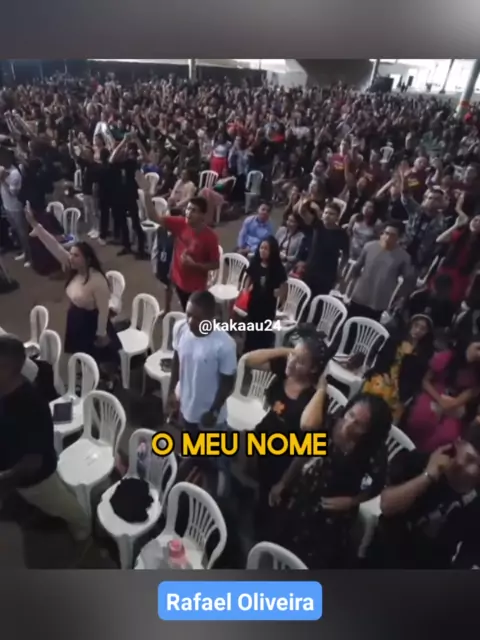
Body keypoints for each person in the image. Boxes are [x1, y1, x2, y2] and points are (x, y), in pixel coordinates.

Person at [268, 392, 392, 568]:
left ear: (370, 431)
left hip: (335, 509)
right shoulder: (330, 423)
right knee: (281, 539)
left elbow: (376, 485)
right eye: (350, 415)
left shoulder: (374, 450)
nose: (349, 424)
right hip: (305, 491)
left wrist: (351, 501)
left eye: (359, 424)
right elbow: (304, 453)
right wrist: (284, 482)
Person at [0, 335, 91, 541]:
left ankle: (83, 526)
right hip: (17, 473)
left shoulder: (30, 407)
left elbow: (33, 462)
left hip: (36, 478)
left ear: (7, 369)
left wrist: (5, 480)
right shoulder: (6, 392)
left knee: (61, 504)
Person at [242, 336, 332, 537]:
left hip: (283, 461)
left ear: (313, 369)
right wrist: (287, 351)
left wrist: (284, 482)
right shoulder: (286, 370)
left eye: (301, 361)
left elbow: (307, 442)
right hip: (262, 443)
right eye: (293, 356)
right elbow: (248, 360)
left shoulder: (314, 400)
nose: (292, 362)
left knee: (270, 509)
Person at [368, 423, 480, 569]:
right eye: (470, 459)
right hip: (384, 553)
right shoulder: (419, 461)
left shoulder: (475, 502)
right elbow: (387, 506)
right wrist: (428, 476)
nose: (473, 470)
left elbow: (469, 555)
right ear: (458, 444)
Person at [25, 206, 121, 367]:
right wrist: (36, 226)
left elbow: (103, 311)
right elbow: (54, 246)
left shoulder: (97, 281)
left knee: (97, 359)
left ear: (87, 259)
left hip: (92, 323)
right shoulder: (73, 268)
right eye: (71, 254)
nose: (71, 257)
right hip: (76, 318)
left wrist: (101, 334)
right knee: (81, 356)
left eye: (76, 255)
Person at [167, 291, 237, 497]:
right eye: (188, 314)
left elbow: (228, 383)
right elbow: (177, 358)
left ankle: (220, 496)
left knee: (217, 459)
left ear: (211, 318)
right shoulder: (181, 328)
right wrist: (171, 390)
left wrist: (214, 410)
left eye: (197, 318)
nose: (190, 321)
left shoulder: (224, 344)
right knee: (194, 449)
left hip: (211, 415)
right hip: (188, 406)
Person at [138, 173, 220, 311]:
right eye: (188, 209)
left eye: (193, 211)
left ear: (202, 215)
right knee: (182, 307)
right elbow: (153, 217)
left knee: (193, 315)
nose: (188, 213)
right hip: (178, 280)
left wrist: (196, 265)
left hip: (195, 287)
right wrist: (146, 193)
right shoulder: (180, 224)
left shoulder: (210, 237)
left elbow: (215, 264)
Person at [403, 339, 480, 453]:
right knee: (422, 417)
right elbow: (425, 382)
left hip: (457, 406)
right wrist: (439, 400)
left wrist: (450, 405)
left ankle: (424, 456)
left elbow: (466, 396)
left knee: (447, 435)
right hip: (434, 393)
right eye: (478, 348)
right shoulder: (446, 357)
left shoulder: (477, 374)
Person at [363, 315, 434, 423]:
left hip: (402, 387)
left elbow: (415, 377)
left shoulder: (425, 353)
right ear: (411, 325)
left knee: (392, 405)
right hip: (384, 375)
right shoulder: (396, 338)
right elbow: (382, 358)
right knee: (377, 390)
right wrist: (386, 375)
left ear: (427, 332)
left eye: (422, 329)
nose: (418, 330)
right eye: (416, 325)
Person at [347, 220, 414, 321]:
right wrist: (350, 289)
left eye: (392, 235)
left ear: (399, 237)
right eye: (386, 233)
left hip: (379, 301)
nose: (388, 237)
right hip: (360, 295)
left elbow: (408, 279)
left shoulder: (404, 257)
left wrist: (400, 298)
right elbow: (357, 268)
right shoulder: (369, 246)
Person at [241, 236, 287, 353]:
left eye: (266, 249)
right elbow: (249, 277)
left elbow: (284, 285)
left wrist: (281, 299)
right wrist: (245, 290)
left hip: (268, 305)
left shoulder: (277, 268)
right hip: (254, 302)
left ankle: (261, 352)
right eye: (261, 248)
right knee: (251, 329)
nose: (263, 251)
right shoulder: (255, 262)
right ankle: (248, 350)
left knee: (264, 331)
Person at [434, 192, 480, 307]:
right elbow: (440, 239)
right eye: (476, 220)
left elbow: (475, 269)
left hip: (460, 279)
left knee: (448, 305)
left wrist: (469, 289)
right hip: (445, 272)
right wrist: (456, 225)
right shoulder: (461, 234)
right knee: (434, 299)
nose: (477, 223)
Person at [302, 201, 349, 297]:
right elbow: (302, 212)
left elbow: (346, 254)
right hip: (311, 269)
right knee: (304, 297)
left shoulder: (342, 234)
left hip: (327, 274)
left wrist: (340, 269)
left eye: (331, 214)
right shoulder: (318, 225)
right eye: (326, 212)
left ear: (338, 217)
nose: (327, 215)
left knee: (319, 300)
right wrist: (306, 200)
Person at [0, 146, 30, 267]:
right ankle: (24, 251)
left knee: (23, 233)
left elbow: (13, 193)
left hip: (16, 207)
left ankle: (29, 257)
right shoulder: (3, 170)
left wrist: (3, 180)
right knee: (16, 231)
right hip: (7, 205)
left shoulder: (15, 174)